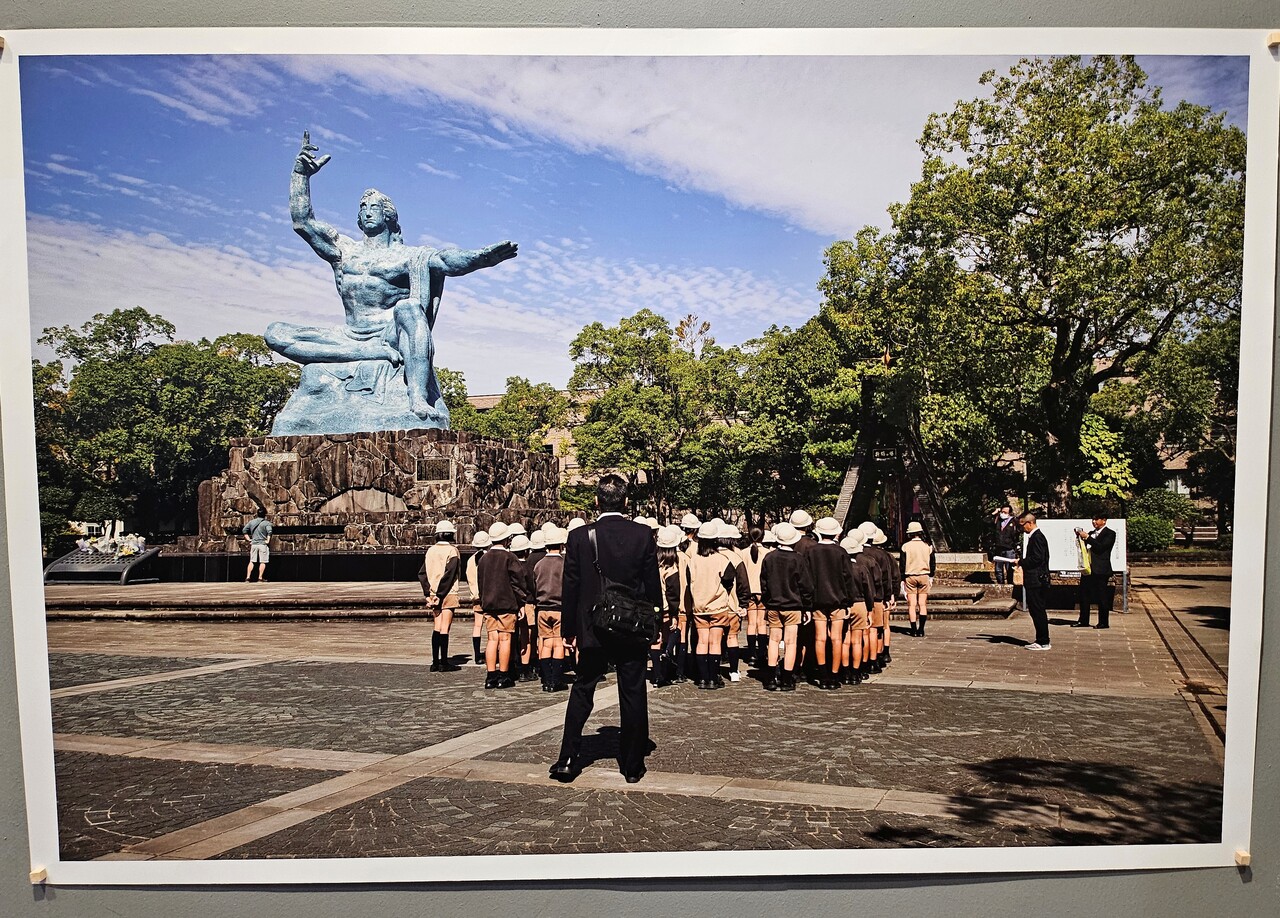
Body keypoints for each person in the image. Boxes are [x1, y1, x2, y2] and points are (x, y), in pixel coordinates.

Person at [268, 132, 518, 421]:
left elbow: (446, 260)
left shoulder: (407, 256)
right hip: (349, 336)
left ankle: (417, 398)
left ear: (388, 215)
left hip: (389, 334)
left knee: (410, 308)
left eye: (373, 207)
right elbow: (303, 223)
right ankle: (369, 354)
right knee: (275, 333)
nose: (366, 212)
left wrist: (480, 258)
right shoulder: (343, 251)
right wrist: (300, 175)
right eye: (362, 208)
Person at [551, 475, 662, 785]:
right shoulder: (642, 535)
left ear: (596, 501)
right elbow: (652, 584)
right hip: (630, 625)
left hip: (591, 626)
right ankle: (632, 764)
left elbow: (570, 586)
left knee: (583, 688)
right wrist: (658, 621)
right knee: (632, 690)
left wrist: (568, 629)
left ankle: (568, 758)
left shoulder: (579, 537)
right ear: (626, 502)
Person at [685, 522, 740, 690]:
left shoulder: (693, 559)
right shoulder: (722, 559)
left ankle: (702, 678)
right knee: (715, 642)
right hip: (718, 606)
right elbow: (729, 581)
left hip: (699, 606)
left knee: (702, 641)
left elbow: (688, 581)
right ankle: (712, 678)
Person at [476, 522, 531, 687]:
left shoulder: (483, 558)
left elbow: (481, 582)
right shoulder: (510, 557)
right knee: (505, 638)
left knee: (492, 639)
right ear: (507, 539)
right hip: (506, 603)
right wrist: (521, 602)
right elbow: (517, 583)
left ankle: (490, 676)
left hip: (488, 604)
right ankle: (503, 675)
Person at [759, 522, 813, 692]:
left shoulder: (769, 557)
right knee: (790, 642)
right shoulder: (798, 559)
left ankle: (770, 678)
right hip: (793, 605)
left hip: (774, 604)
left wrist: (768, 601)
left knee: (773, 640)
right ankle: (787, 679)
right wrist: (807, 606)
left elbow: (764, 583)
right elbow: (806, 586)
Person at [805, 517, 855, 689]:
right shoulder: (841, 552)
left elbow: (807, 578)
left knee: (819, 638)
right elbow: (848, 578)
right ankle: (835, 674)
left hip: (817, 600)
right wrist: (849, 601)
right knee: (836, 638)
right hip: (838, 600)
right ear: (836, 533)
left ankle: (823, 675)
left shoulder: (811, 552)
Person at [421, 519, 462, 671]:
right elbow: (450, 574)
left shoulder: (430, 551)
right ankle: (444, 662)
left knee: (437, 626)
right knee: (445, 627)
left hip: (432, 593)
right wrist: (441, 593)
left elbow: (422, 573)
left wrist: (428, 593)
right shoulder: (452, 551)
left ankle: (434, 662)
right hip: (448, 592)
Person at [533, 527, 567, 692]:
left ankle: (546, 679)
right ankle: (556, 680)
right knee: (558, 642)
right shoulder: (564, 564)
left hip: (542, 608)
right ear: (561, 545)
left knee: (545, 643)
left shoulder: (539, 565)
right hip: (559, 607)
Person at [1018, 512, 1052, 650]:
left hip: (1036, 579)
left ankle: (1043, 640)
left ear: (1030, 523)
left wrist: (1021, 562)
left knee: (1038, 609)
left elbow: (1037, 558)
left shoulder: (1037, 537)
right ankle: (1041, 639)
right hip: (1035, 578)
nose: (1022, 528)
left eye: (1022, 525)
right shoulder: (1035, 537)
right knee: (1036, 610)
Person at [1075, 517, 1116, 629]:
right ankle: (1083, 620)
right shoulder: (1091, 533)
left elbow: (1101, 547)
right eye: (1093, 519)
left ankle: (1103, 622)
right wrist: (1080, 537)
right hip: (1089, 568)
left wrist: (1088, 538)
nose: (1094, 522)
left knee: (1102, 596)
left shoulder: (1110, 533)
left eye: (1096, 519)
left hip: (1101, 569)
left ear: (1104, 520)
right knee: (1084, 594)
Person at [900, 521, 936, 637]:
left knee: (911, 604)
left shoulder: (905, 546)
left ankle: (913, 629)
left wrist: (902, 579)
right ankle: (921, 629)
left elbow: (902, 564)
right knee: (922, 603)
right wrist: (931, 576)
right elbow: (932, 563)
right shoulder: (928, 546)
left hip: (910, 575)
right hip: (924, 575)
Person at [464, 531, 491, 664]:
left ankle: (477, 655)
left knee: (477, 625)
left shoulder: (470, 560)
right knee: (491, 626)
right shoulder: (489, 558)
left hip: (476, 597)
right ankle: (490, 653)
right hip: (489, 596)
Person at [991, 504, 1019, 585]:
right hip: (998, 548)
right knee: (998, 569)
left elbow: (1018, 531)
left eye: (1005, 512)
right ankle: (1000, 584)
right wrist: (995, 513)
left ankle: (1010, 584)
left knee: (1009, 568)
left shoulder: (1014, 521)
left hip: (1009, 548)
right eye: (1002, 511)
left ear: (1009, 513)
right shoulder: (997, 520)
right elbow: (986, 521)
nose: (1003, 513)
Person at [242, 508, 273, 583]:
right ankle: (260, 578)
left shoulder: (252, 522)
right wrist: (268, 540)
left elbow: (244, 530)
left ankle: (248, 577)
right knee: (263, 561)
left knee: (252, 561)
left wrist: (249, 539)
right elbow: (269, 532)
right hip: (262, 544)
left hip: (254, 544)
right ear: (265, 514)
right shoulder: (267, 523)